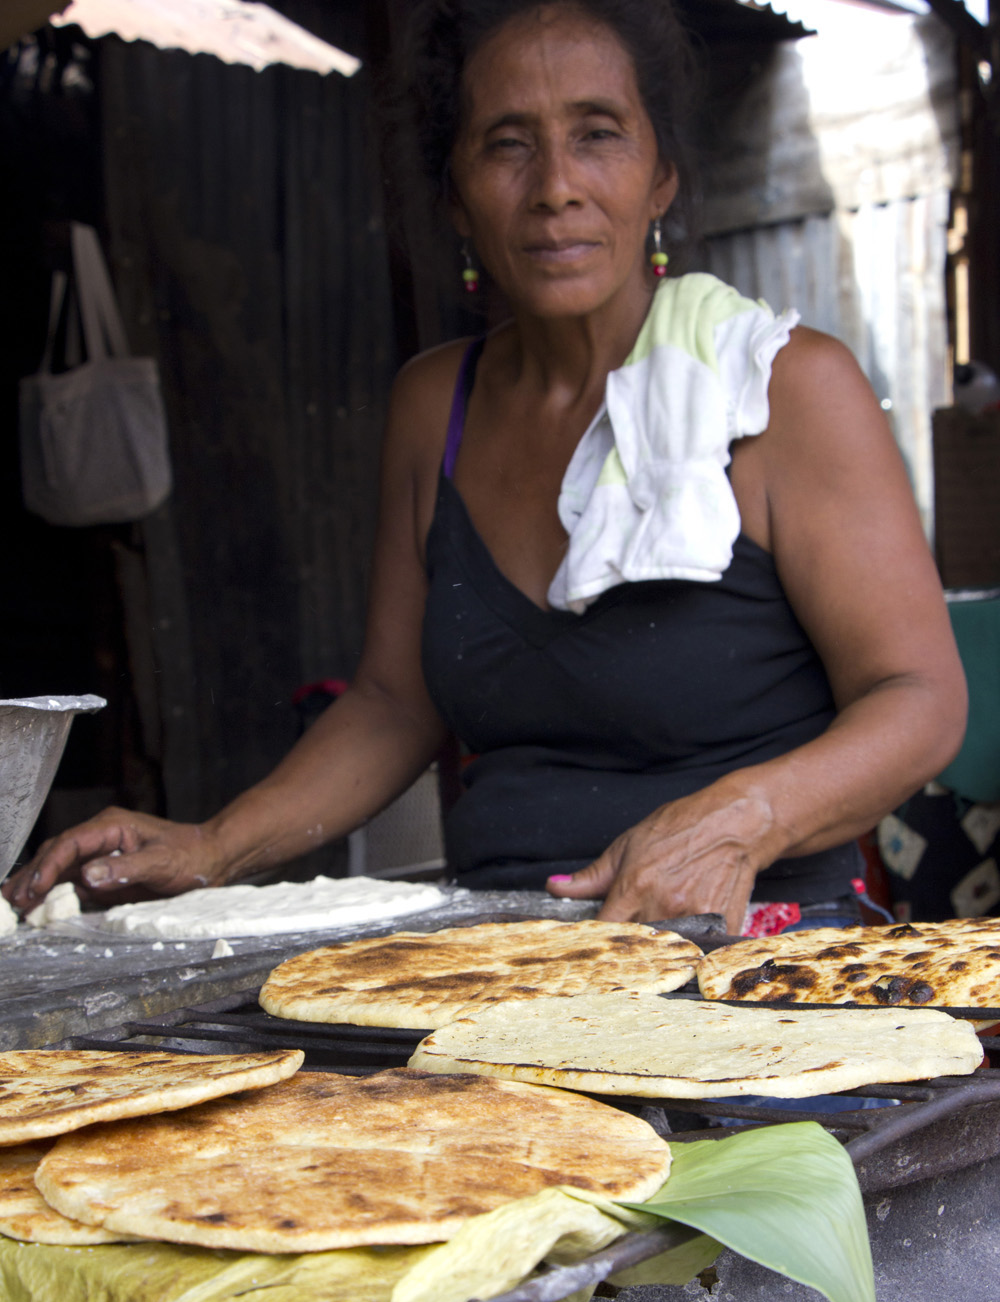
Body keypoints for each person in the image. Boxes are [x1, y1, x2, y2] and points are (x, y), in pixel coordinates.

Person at [4, 0, 966, 935]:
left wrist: (738, 819)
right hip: (495, 959)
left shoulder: (784, 392)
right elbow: (391, 705)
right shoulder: (437, 410)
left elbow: (919, 699)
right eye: (508, 143)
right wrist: (213, 846)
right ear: (455, 194)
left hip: (762, 947)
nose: (555, 185)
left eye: (599, 134)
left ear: (662, 175)